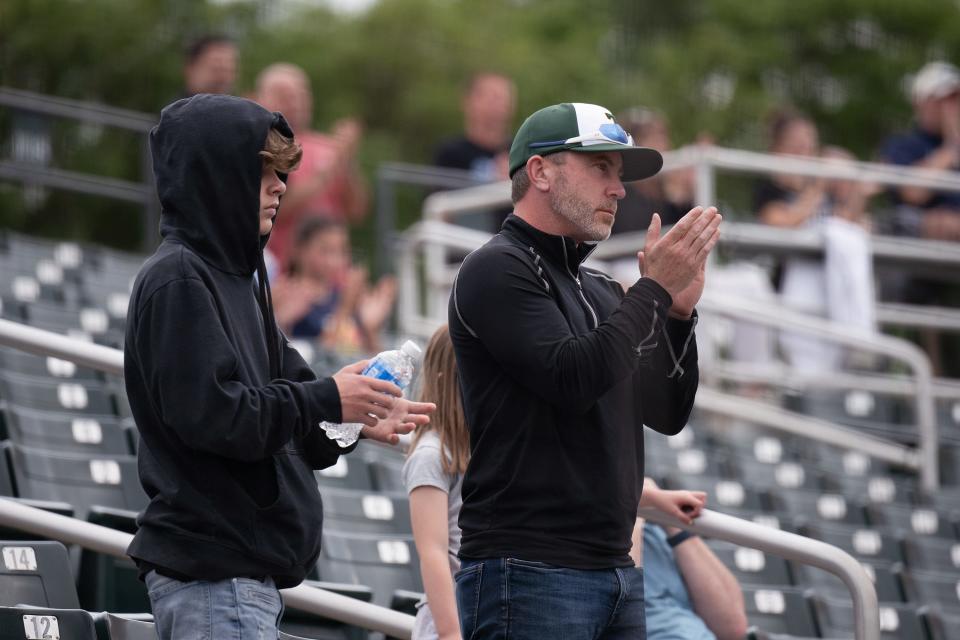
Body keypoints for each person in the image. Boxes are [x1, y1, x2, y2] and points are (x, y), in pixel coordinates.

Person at [123, 94, 434, 640]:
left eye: (281, 172)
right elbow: (220, 418)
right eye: (263, 171)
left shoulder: (241, 279)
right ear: (217, 176)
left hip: (240, 584)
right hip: (214, 581)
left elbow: (295, 419)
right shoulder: (177, 278)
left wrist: (352, 417)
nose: (281, 186)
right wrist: (326, 399)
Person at [449, 102, 721, 639]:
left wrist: (677, 315)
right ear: (540, 171)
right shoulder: (495, 267)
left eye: (619, 174)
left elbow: (665, 414)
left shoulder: (599, 287)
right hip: (528, 567)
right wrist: (653, 291)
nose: (618, 189)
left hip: (614, 569)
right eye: (601, 167)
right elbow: (572, 379)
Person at [753, 110, 877, 372]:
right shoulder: (768, 189)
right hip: (786, 297)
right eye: (797, 145)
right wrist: (819, 186)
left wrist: (855, 183)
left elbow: (849, 231)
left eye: (810, 145)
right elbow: (782, 223)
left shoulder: (823, 194)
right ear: (778, 149)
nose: (806, 153)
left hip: (830, 301)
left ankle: (858, 340)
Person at [255, 63, 369, 265]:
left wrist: (347, 162)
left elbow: (357, 211)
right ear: (260, 97)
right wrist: (329, 170)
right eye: (285, 95)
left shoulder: (329, 146)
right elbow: (276, 210)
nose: (295, 102)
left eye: (301, 94)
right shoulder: (261, 147)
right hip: (283, 271)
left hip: (333, 275)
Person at [402, 325, 469, 640]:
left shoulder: (484, 449)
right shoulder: (431, 454)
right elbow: (433, 552)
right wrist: (451, 633)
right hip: (451, 621)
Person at [631, 480, 748, 640]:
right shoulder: (596, 535)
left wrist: (673, 522)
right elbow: (623, 608)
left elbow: (733, 627)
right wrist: (632, 502)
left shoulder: (654, 528)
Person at [271, 217, 396, 354]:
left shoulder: (341, 295)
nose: (335, 260)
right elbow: (325, 355)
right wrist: (345, 307)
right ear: (299, 250)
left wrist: (371, 329)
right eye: (326, 250)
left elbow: (371, 359)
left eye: (342, 251)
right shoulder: (284, 295)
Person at [433, 72, 517, 232]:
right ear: (468, 102)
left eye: (506, 99)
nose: (501, 106)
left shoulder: (521, 153)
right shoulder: (450, 153)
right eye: (493, 98)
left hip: (510, 244)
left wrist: (517, 182)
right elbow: (438, 208)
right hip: (463, 247)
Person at [612, 108, 696, 235]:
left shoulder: (669, 201)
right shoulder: (618, 197)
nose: (664, 146)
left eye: (664, 137)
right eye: (654, 138)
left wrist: (683, 199)